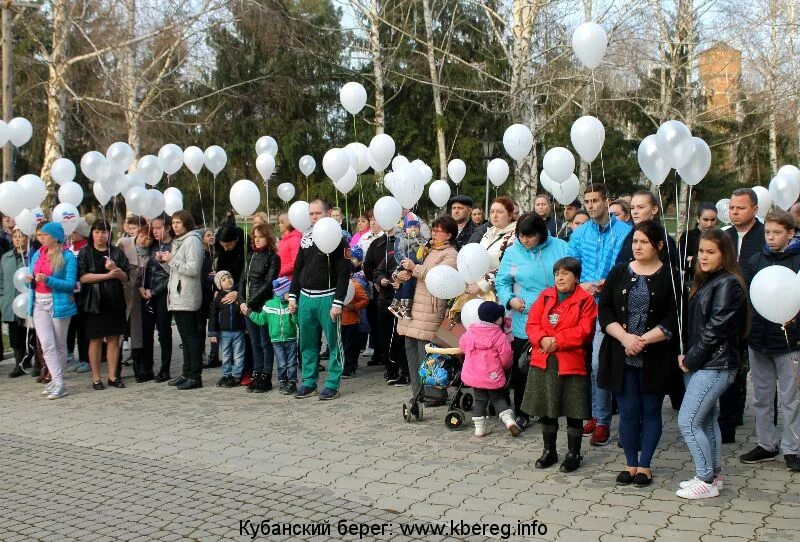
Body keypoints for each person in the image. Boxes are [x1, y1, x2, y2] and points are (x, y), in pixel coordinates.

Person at [597, 221, 681, 486]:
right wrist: (625, 338)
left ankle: (645, 466)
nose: (637, 246)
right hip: (620, 352)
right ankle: (630, 463)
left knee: (651, 410)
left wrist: (642, 340)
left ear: (658, 245)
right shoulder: (619, 271)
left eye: (644, 242)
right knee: (629, 410)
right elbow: (605, 310)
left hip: (654, 354)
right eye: (635, 241)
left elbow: (675, 317)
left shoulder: (672, 275)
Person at [677, 229, 749, 499]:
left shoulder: (728, 284)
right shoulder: (708, 281)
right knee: (706, 421)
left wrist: (691, 359)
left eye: (711, 252)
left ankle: (705, 478)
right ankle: (713, 475)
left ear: (724, 255)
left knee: (688, 421)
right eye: (701, 252)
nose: (703, 257)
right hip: (703, 363)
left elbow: (715, 329)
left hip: (715, 365)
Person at [567, 183, 632, 446]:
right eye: (588, 201)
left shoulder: (626, 232)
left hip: (613, 307)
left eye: (596, 200)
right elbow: (570, 264)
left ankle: (604, 421)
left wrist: (611, 281)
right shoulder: (580, 234)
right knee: (585, 365)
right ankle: (594, 415)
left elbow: (631, 264)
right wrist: (580, 283)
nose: (592, 205)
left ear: (607, 201)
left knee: (598, 364)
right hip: (583, 305)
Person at [523, 257, 597, 472]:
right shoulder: (545, 296)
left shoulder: (586, 300)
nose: (560, 277)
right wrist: (542, 339)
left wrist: (557, 341)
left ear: (576, 277)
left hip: (571, 361)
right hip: (544, 359)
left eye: (565, 273)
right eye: (557, 273)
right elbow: (533, 323)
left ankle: (574, 453)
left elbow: (585, 331)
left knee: (573, 409)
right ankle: (549, 451)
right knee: (547, 407)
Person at [739, 210, 800, 472]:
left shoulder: (797, 261)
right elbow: (747, 296)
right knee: (762, 397)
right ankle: (766, 443)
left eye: (777, 233)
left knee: (791, 397)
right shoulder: (756, 260)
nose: (771, 238)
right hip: (759, 339)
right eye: (768, 232)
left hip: (790, 341)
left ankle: (792, 448)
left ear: (791, 233)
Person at [496, 213, 568, 431]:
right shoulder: (512, 251)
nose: (525, 240)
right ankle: (522, 412)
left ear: (541, 233)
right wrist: (509, 299)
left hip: (556, 316)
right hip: (525, 316)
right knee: (522, 366)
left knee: (551, 365)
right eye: (521, 236)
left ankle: (550, 410)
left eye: (530, 236)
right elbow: (502, 280)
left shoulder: (561, 247)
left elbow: (574, 277)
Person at [289, 199, 351, 400]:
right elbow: (298, 268)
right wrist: (293, 295)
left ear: (328, 212)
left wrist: (338, 302)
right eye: (311, 214)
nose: (314, 217)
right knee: (306, 343)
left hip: (328, 297)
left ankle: (333, 383)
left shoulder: (339, 239)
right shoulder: (306, 237)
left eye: (318, 213)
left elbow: (344, 273)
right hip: (306, 298)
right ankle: (309, 382)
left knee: (334, 342)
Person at [396, 216, 459, 406]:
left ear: (449, 234)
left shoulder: (451, 255)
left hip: (430, 307)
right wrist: (403, 274)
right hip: (413, 304)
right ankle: (418, 391)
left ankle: (435, 393)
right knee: (410, 346)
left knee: (428, 351)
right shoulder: (426, 248)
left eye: (438, 230)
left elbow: (438, 277)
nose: (434, 233)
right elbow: (416, 272)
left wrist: (415, 268)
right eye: (433, 229)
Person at [721, 187, 764, 443]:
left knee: (760, 373)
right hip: (727, 315)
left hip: (759, 316)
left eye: (741, 208)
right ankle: (727, 424)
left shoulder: (763, 236)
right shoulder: (723, 236)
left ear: (755, 210)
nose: (734, 212)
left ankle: (765, 433)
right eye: (732, 207)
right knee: (729, 369)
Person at [27, 222, 78, 399]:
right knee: (47, 344)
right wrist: (30, 280)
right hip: (39, 303)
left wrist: (48, 280)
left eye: (45, 234)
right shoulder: (37, 255)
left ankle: (58, 381)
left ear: (55, 237)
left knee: (60, 344)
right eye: (40, 235)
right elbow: (33, 280)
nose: (42, 238)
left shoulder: (67, 256)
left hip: (59, 303)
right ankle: (57, 381)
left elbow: (71, 284)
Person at [78, 220, 130, 390]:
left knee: (114, 339)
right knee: (95, 340)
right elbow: (83, 277)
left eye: (104, 232)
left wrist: (115, 268)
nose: (101, 235)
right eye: (97, 232)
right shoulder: (85, 252)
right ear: (92, 233)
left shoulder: (116, 252)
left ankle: (113, 376)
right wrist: (107, 276)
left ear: (109, 234)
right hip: (93, 302)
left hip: (114, 301)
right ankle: (96, 377)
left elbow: (125, 277)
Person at [459, 301, 519, 436]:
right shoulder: (499, 336)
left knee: (480, 399)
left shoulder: (471, 331)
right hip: (493, 374)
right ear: (498, 319)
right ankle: (509, 421)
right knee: (497, 398)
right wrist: (505, 367)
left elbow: (462, 346)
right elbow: (506, 357)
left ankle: (479, 429)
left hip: (474, 375)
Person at [163, 211, 205, 390]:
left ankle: (195, 376)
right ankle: (186, 372)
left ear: (187, 223)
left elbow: (193, 269)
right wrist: (164, 262)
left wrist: (172, 260)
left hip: (187, 295)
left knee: (191, 337)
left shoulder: (192, 241)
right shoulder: (177, 242)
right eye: (173, 222)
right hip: (177, 296)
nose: (175, 226)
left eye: (178, 222)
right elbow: (175, 271)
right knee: (185, 338)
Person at [364, 222, 409, 385]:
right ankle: (390, 370)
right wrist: (379, 279)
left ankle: (404, 371)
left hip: (402, 299)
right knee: (386, 335)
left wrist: (404, 281)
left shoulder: (412, 249)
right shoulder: (385, 250)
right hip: (385, 298)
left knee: (400, 336)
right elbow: (376, 269)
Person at [243, 224, 281, 392]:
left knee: (265, 342)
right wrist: (241, 300)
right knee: (254, 342)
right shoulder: (250, 256)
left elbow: (268, 283)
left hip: (262, 304)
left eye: (261, 236)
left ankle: (266, 376)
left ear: (268, 238)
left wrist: (250, 303)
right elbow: (242, 280)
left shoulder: (273, 257)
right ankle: (257, 373)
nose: (257, 240)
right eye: (255, 237)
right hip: (248, 305)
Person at [244, 277, 298, 395]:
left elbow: (296, 322)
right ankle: (283, 381)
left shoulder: (291, 304)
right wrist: (250, 313)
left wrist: (294, 313)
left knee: (292, 362)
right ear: (281, 293)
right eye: (289, 292)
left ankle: (292, 381)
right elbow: (261, 320)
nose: (291, 294)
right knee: (281, 362)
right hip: (276, 340)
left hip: (291, 339)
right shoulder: (269, 304)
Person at [141, 215, 173, 383]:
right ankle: (147, 368)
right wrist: (144, 287)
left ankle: (165, 368)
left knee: (164, 331)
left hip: (162, 293)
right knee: (146, 331)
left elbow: (171, 275)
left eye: (158, 228)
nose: (154, 231)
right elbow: (144, 268)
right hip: (147, 292)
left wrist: (154, 291)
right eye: (153, 228)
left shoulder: (173, 246)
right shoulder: (151, 245)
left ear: (167, 228)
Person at [465, 197, 517, 297]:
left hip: (500, 292)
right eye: (492, 211)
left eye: (500, 212)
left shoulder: (514, 236)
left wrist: (481, 285)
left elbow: (508, 266)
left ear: (510, 215)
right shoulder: (488, 233)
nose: (495, 215)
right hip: (478, 290)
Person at [1, 228, 35, 378]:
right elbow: (2, 280)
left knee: (31, 332)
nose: (17, 239)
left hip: (29, 300)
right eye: (14, 236)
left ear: (27, 238)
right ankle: (18, 364)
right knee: (14, 334)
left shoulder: (32, 256)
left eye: (20, 236)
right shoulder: (5, 258)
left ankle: (31, 358)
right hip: (11, 302)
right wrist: (2, 298)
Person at [615, 191, 678, 267]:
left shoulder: (664, 239)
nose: (635, 212)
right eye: (632, 208)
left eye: (640, 207)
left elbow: (668, 272)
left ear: (654, 210)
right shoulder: (630, 235)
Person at [117, 216, 147, 377]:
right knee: (119, 328)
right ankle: (116, 366)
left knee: (137, 329)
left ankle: (138, 363)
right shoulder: (123, 243)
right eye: (134, 229)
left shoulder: (150, 249)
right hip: (122, 290)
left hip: (138, 293)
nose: (143, 239)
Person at [208, 270, 246, 388]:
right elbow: (213, 315)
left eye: (229, 277)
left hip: (238, 331)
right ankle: (227, 374)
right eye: (223, 280)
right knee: (226, 355)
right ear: (219, 285)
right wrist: (213, 333)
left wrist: (245, 327)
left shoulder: (239, 295)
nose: (228, 280)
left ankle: (236, 376)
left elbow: (243, 311)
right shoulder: (218, 298)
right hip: (224, 333)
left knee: (239, 355)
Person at [66, 220, 90, 373]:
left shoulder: (86, 249)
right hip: (71, 294)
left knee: (83, 328)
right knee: (71, 327)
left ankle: (85, 359)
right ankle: (74, 356)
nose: (72, 235)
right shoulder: (69, 249)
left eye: (75, 232)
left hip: (84, 293)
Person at [390, 215, 426, 318]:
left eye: (416, 227)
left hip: (416, 265)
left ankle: (396, 305)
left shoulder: (421, 239)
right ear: (405, 229)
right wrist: (404, 261)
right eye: (410, 227)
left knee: (406, 285)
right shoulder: (402, 239)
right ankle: (405, 307)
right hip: (405, 264)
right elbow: (398, 252)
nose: (413, 229)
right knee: (407, 283)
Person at [679, 202, 718, 287]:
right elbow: (680, 259)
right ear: (698, 219)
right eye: (706, 220)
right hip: (692, 280)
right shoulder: (688, 236)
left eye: (713, 220)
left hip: (715, 280)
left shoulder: (719, 237)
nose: (709, 224)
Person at [341, 271, 369, 379]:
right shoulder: (336, 286)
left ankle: (350, 368)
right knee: (342, 346)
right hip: (339, 322)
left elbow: (365, 300)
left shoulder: (355, 286)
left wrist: (354, 307)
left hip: (352, 322)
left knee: (350, 347)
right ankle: (344, 367)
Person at [200, 227, 219, 368]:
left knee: (214, 324)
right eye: (208, 235)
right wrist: (207, 277)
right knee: (200, 325)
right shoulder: (200, 254)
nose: (211, 237)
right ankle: (201, 353)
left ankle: (214, 354)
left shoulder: (217, 254)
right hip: (203, 292)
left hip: (215, 293)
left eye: (213, 235)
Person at [277, 213, 301, 279]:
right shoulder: (283, 240)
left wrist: (280, 271)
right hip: (281, 278)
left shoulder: (295, 239)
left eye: (281, 223)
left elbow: (295, 262)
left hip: (289, 280)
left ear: (287, 224)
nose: (279, 225)